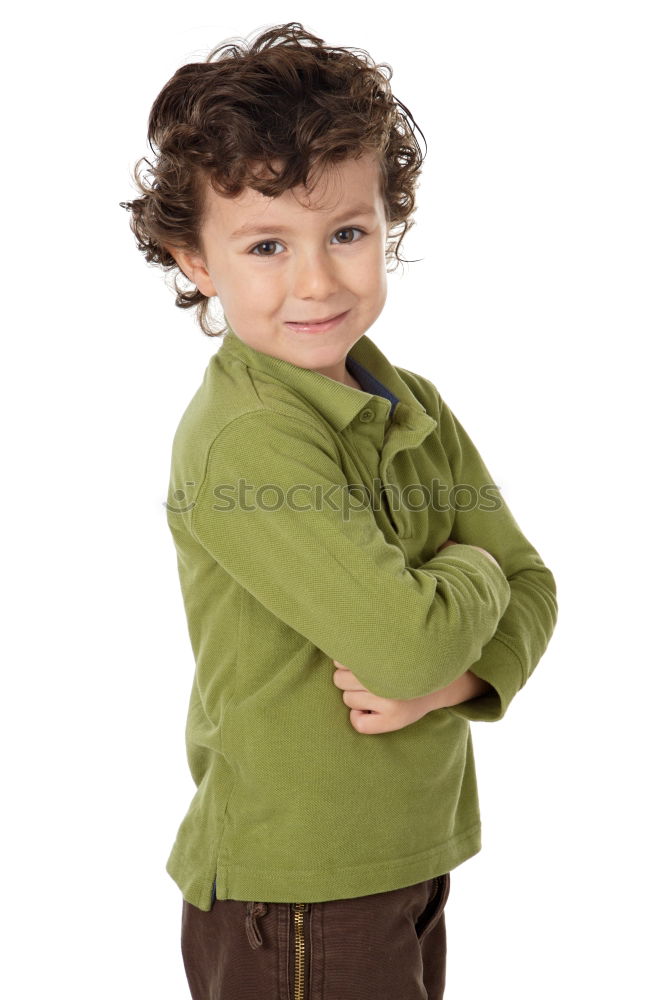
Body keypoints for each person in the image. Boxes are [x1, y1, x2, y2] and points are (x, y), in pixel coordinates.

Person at [120, 21, 558, 1000]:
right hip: (299, 887)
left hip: (403, 850)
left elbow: (534, 587)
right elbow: (420, 632)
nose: (317, 281)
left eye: (347, 233)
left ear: (384, 226)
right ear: (196, 259)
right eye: (267, 244)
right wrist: (468, 579)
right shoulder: (250, 441)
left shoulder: (410, 402)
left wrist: (449, 684)